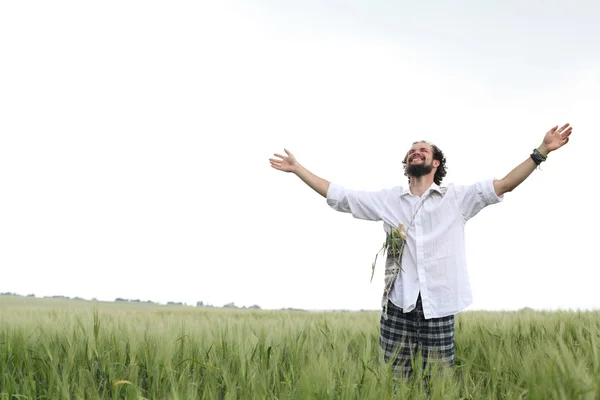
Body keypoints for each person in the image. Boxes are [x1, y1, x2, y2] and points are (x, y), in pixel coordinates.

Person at [269, 123, 572, 377]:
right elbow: (341, 196)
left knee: (437, 384)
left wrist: (541, 151)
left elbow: (505, 184)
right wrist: (297, 169)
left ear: (436, 163)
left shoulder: (457, 199)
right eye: (412, 150)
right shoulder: (389, 200)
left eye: (423, 150)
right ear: (407, 163)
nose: (416, 152)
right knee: (394, 382)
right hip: (398, 308)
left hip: (438, 307)